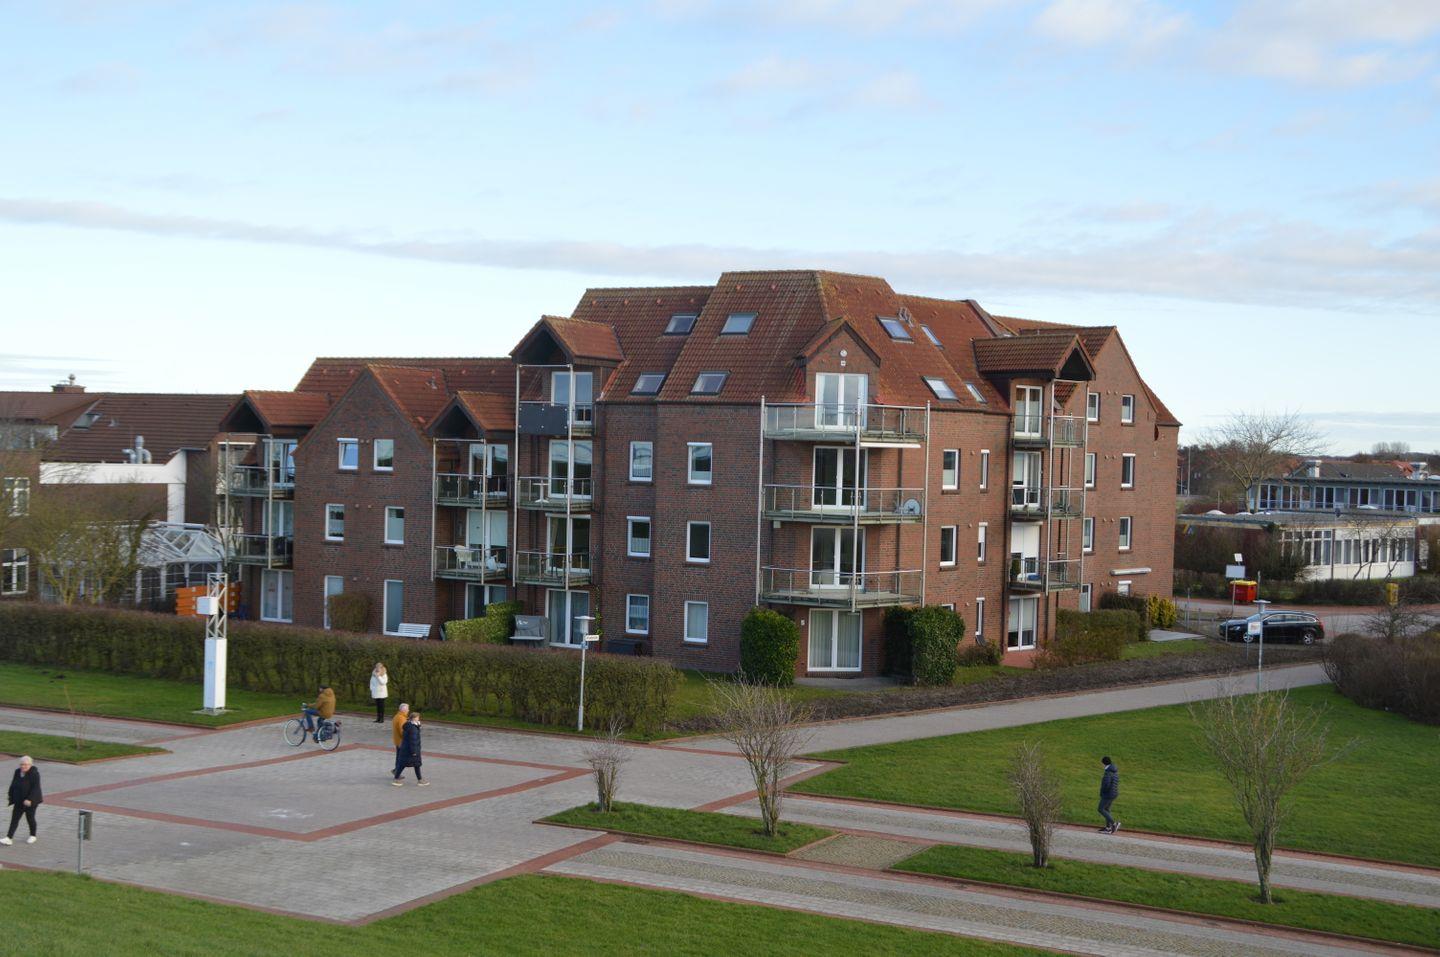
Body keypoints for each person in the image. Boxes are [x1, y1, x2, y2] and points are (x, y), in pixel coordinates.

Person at [3, 755, 42, 846]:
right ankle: (9, 838)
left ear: (30, 765)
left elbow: (35, 788)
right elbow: (13, 783)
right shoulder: (17, 772)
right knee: (14, 819)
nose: (23, 766)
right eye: (21, 764)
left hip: (30, 802)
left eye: (25, 764)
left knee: (30, 818)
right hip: (19, 800)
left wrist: (29, 799)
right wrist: (11, 795)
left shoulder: (34, 774)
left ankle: (33, 835)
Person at [392, 711, 427, 787]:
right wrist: (414, 751)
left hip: (406, 749)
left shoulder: (409, 725)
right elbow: (413, 740)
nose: (418, 719)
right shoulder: (413, 728)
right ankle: (419, 780)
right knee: (408, 764)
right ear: (414, 718)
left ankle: (419, 780)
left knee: (412, 764)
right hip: (411, 750)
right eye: (417, 717)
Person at [1098, 755, 1120, 834]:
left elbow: (1106, 784)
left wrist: (1103, 792)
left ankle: (1114, 824)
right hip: (1113, 793)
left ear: (1104, 763)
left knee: (1100, 809)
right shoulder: (1114, 770)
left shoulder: (1108, 772)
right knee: (1107, 809)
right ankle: (1108, 828)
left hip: (1108, 794)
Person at [391, 702, 410, 777]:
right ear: (404, 710)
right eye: (408, 709)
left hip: (397, 740)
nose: (408, 710)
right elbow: (403, 731)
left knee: (399, 756)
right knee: (402, 758)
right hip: (402, 741)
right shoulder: (401, 718)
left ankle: (396, 770)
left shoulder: (397, 716)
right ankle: (397, 772)